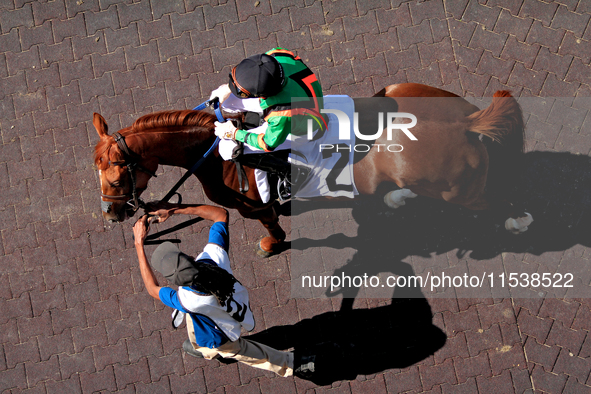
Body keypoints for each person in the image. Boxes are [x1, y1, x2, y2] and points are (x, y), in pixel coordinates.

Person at [133, 203, 314, 377]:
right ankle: (202, 348)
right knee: (196, 325)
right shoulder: (214, 259)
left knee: (248, 353)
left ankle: (293, 364)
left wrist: (138, 244)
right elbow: (221, 214)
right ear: (189, 257)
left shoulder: (186, 300)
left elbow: (152, 288)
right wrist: (174, 209)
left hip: (219, 336)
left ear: (177, 283)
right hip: (225, 309)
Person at [211, 48, 327, 199]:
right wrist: (228, 88)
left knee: (226, 149)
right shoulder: (276, 56)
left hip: (304, 131)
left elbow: (268, 143)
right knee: (222, 99)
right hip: (297, 96)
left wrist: (234, 133)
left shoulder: (281, 113)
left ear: (263, 94)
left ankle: (288, 171)